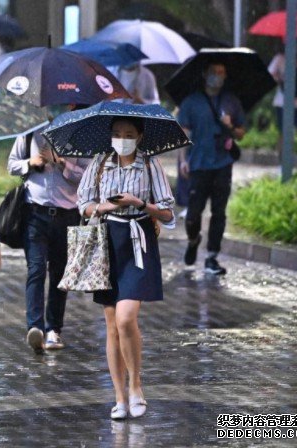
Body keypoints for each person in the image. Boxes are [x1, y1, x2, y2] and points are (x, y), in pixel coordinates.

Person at [77, 116, 175, 420]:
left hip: (139, 242)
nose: (122, 138)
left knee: (126, 317)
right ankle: (119, 396)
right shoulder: (99, 162)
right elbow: (84, 205)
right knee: (111, 324)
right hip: (107, 242)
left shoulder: (149, 165)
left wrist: (140, 204)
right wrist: (107, 206)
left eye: (129, 133)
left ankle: (136, 385)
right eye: (117, 133)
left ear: (140, 136)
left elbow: (169, 213)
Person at [8, 105, 90, 354]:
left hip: (68, 214)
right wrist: (30, 163)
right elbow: (11, 165)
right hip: (36, 211)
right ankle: (34, 327)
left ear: (71, 106)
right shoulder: (29, 131)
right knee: (35, 269)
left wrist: (62, 163)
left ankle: (54, 328)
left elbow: (88, 175)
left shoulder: (81, 133)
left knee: (59, 274)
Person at [178, 62, 245, 275]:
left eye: (222, 73)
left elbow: (241, 133)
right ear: (204, 74)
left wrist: (230, 125)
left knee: (219, 212)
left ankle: (211, 257)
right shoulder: (191, 102)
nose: (217, 76)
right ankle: (193, 239)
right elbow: (184, 134)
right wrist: (183, 160)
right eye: (214, 72)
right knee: (193, 215)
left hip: (222, 164)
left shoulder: (231, 101)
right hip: (198, 165)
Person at [269, 49, 297, 171]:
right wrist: (281, 77)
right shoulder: (279, 58)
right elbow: (270, 75)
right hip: (283, 102)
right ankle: (282, 164)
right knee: (284, 134)